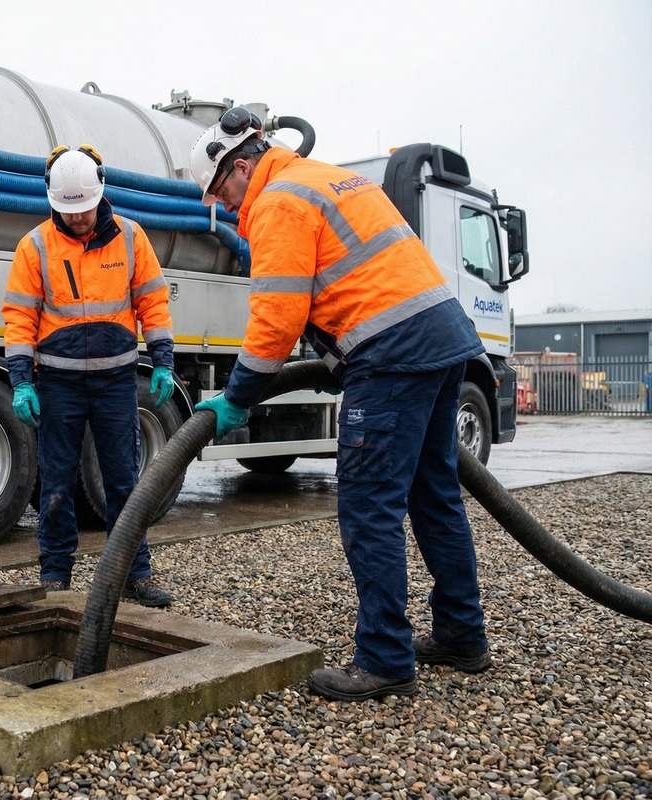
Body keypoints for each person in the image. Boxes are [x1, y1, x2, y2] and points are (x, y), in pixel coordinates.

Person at [189, 107, 492, 700]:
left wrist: (236, 398)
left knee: (368, 506)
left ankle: (385, 659)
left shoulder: (278, 201)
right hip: (440, 337)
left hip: (394, 353)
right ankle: (462, 635)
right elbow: (354, 281)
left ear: (243, 165)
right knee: (433, 494)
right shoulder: (327, 177)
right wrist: (340, 361)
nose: (221, 206)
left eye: (220, 190)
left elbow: (276, 320)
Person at [1, 144, 176, 608]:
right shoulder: (35, 245)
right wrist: (20, 379)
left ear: (101, 194)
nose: (77, 218)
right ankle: (56, 574)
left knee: (123, 483)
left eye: (84, 208)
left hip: (116, 383)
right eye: (68, 210)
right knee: (56, 483)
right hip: (58, 385)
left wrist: (163, 361)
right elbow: (19, 317)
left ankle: (134, 573)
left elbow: (153, 302)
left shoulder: (131, 238)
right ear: (52, 200)